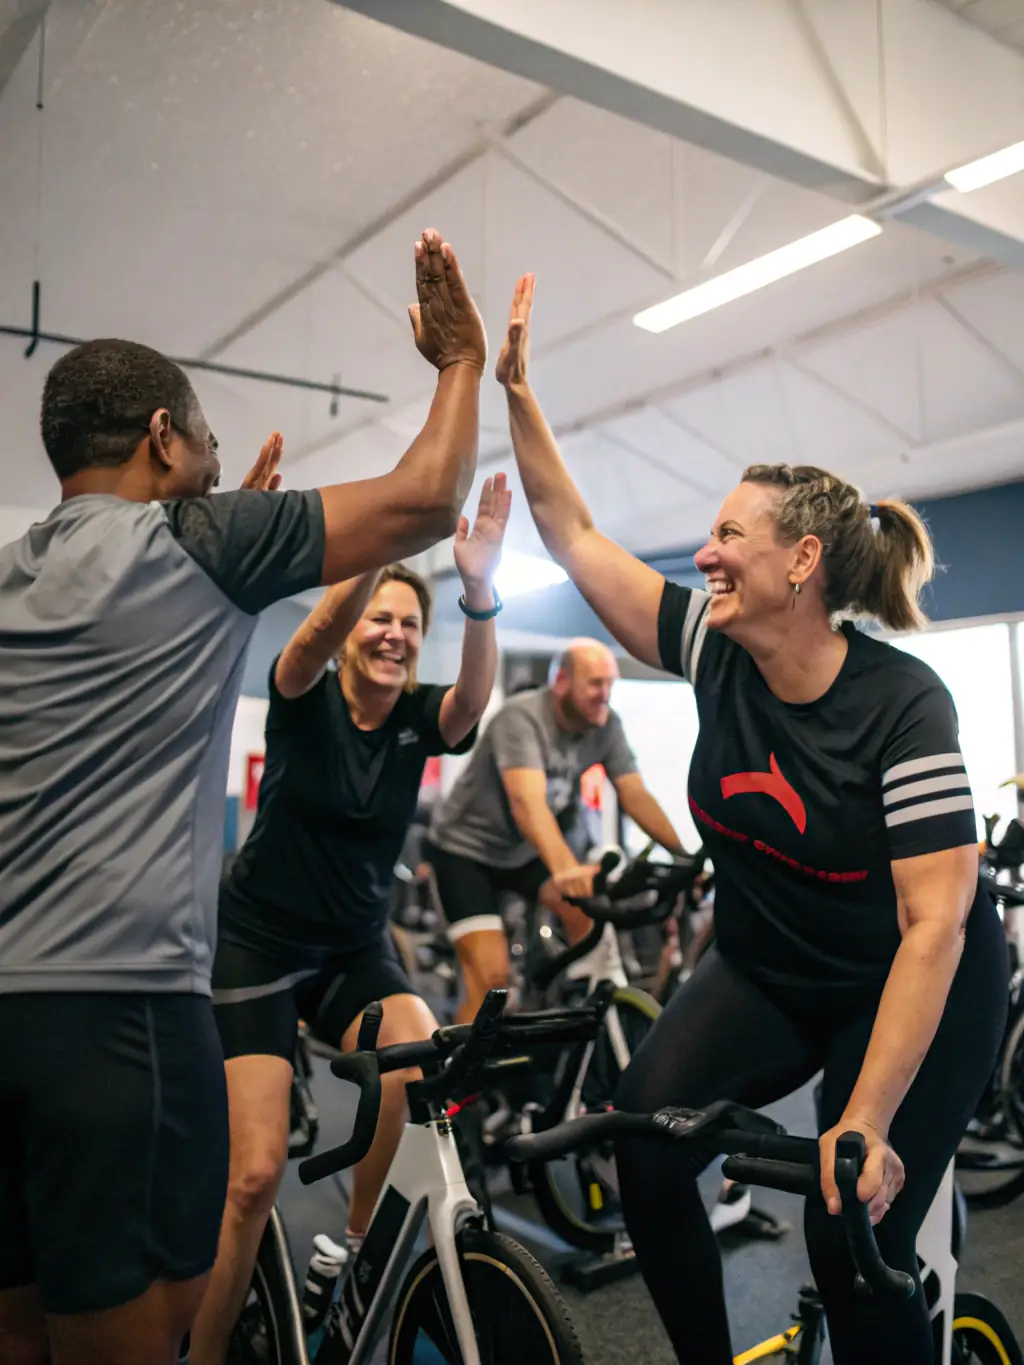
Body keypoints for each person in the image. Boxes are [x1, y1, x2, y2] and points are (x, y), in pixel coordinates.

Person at [494, 273, 1007, 1365]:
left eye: (729, 534)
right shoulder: (709, 649)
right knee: (644, 1138)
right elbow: (572, 529)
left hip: (915, 983)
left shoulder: (903, 705)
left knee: (845, 1221)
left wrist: (859, 1120)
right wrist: (516, 390)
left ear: (802, 562)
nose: (707, 553)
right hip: (771, 968)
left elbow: (933, 928)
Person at [0, 227, 486, 1365]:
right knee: (138, 1340)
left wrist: (224, 555)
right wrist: (460, 365)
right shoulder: (199, 541)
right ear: (162, 437)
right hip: (118, 1020)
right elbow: (427, 495)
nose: (218, 461)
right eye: (205, 440)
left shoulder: (17, 568)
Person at [190, 479, 509, 1365]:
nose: (394, 633)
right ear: (352, 630)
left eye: (411, 622)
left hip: (350, 951)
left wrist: (477, 589)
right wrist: (372, 559)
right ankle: (208, 1351)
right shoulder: (303, 693)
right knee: (253, 1177)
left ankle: (358, 1246)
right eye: (380, 617)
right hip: (256, 944)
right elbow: (309, 636)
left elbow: (471, 703)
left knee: (415, 1051)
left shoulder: (418, 716)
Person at [428, 637, 684, 1023]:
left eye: (610, 685)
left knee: (591, 927)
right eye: (596, 684)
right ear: (562, 681)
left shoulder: (606, 725)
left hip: (523, 854)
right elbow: (527, 803)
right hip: (466, 853)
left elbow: (634, 794)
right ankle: (463, 1079)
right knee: (491, 981)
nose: (605, 695)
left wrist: (684, 857)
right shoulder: (521, 718)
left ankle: (578, 1022)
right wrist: (566, 870)